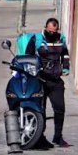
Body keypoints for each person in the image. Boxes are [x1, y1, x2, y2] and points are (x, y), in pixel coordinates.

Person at [25, 18, 71, 148]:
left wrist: (66, 68)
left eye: (54, 31)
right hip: (40, 80)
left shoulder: (60, 38)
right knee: (41, 110)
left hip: (56, 80)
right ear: (45, 28)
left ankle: (58, 137)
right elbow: (28, 56)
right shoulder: (36, 39)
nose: (52, 33)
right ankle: (40, 137)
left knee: (60, 108)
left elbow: (65, 54)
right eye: (50, 31)